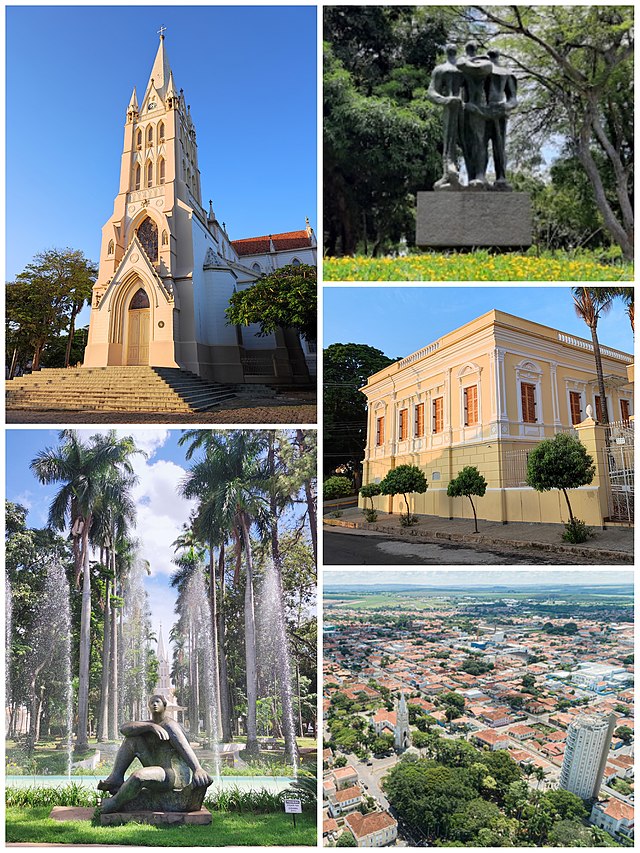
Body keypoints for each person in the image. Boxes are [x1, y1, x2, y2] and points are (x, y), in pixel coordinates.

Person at [98, 694, 213, 813]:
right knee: (132, 739)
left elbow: (184, 747)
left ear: (164, 705)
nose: (154, 704)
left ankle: (116, 802)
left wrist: (197, 769)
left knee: (138, 776)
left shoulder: (170, 725)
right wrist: (150, 726)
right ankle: (116, 777)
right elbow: (124, 729)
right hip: (157, 768)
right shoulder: (149, 724)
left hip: (172, 775)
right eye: (152, 702)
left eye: (157, 702)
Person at [427, 45, 464, 189]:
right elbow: (431, 92)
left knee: (465, 142)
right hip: (451, 108)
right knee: (449, 140)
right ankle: (448, 174)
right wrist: (446, 100)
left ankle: (470, 176)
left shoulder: (463, 69)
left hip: (464, 108)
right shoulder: (441, 69)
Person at [456, 41, 493, 187]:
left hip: (479, 108)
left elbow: (464, 65)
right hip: (465, 108)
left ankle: (480, 175)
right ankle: (472, 176)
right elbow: (461, 64)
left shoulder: (485, 64)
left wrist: (470, 59)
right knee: (467, 143)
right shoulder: (466, 63)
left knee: (480, 141)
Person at [484, 49, 518, 189]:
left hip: (495, 111)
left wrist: (505, 107)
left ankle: (501, 177)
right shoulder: (484, 71)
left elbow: (513, 99)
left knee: (496, 146)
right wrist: (506, 106)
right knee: (489, 145)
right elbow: (513, 100)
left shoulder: (505, 73)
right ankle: (485, 177)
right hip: (486, 112)